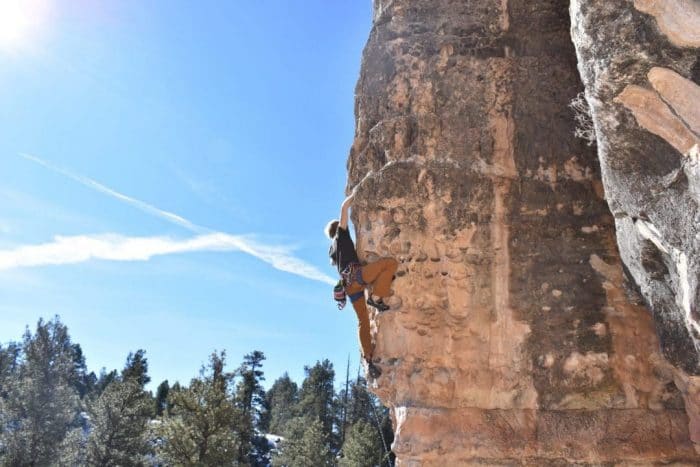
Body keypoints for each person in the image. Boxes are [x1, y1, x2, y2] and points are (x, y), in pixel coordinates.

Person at [326, 186, 398, 379]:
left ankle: (368, 359)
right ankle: (376, 297)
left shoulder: (333, 250)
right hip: (358, 277)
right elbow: (343, 208)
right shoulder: (341, 236)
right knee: (389, 264)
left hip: (350, 287)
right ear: (338, 229)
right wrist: (357, 191)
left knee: (363, 322)